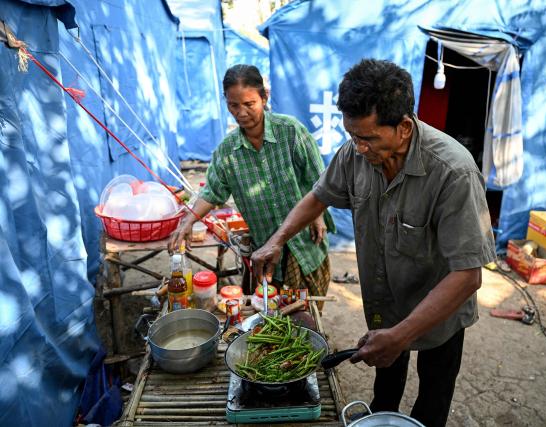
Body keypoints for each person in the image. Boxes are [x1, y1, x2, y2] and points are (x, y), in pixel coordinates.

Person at [251, 59, 496, 427]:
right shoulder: (356, 153)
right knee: (385, 388)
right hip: (386, 301)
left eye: (368, 139)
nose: (359, 149)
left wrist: (401, 335)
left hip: (439, 308)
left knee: (433, 395)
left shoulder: (453, 172)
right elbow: (319, 195)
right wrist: (277, 239)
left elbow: (467, 276)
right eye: (353, 137)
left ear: (404, 127)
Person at [169, 64, 334, 303]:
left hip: (305, 242)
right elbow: (213, 191)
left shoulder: (291, 132)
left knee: (310, 313)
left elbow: (320, 181)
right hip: (267, 249)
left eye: (249, 104)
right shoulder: (228, 151)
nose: (241, 113)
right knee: (274, 312)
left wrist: (317, 214)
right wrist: (188, 221)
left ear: (264, 97)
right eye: (233, 106)